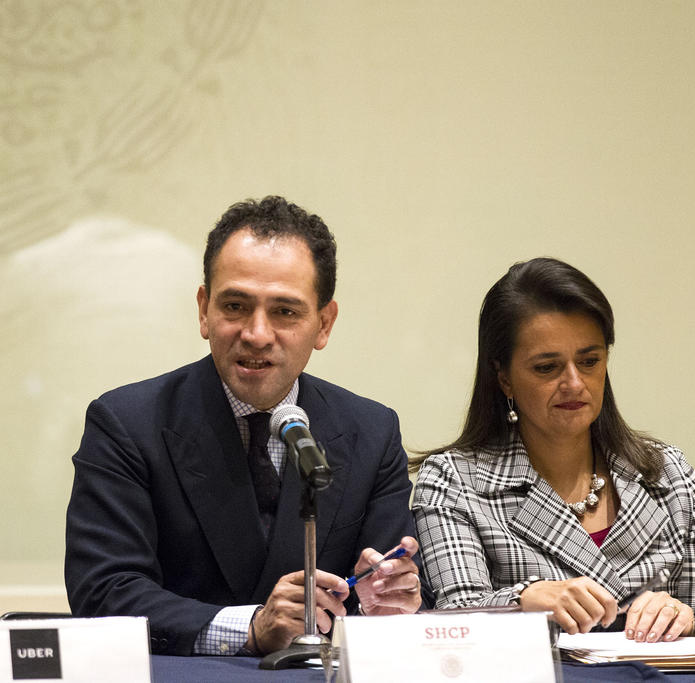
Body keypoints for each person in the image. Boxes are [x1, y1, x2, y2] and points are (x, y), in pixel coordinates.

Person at [65, 195, 427, 657]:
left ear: (324, 324)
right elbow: (104, 591)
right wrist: (250, 628)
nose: (256, 334)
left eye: (285, 312)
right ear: (204, 310)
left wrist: (385, 604)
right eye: (235, 306)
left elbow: (389, 589)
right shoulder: (127, 423)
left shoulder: (372, 431)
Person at [412, 257, 695, 640]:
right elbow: (455, 624)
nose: (575, 383)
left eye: (589, 361)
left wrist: (683, 621)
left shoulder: (670, 475)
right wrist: (522, 601)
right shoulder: (454, 480)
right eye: (547, 367)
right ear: (504, 378)